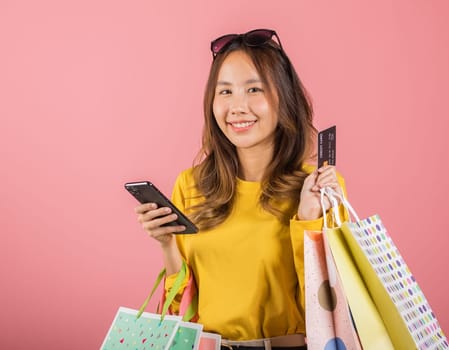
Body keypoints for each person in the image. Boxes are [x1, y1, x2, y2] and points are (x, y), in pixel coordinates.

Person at [134, 29, 347, 349]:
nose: (237, 106)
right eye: (225, 92)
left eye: (253, 89)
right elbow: (182, 310)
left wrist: (307, 218)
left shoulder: (318, 187)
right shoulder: (190, 185)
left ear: (284, 98)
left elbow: (330, 307)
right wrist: (167, 245)